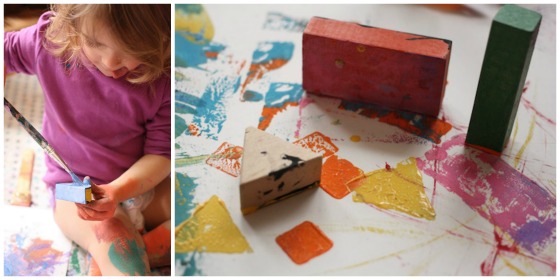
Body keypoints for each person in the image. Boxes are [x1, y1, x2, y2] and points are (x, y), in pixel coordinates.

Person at [4, 4, 171, 276]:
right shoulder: (50, 40)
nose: (111, 63)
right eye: (94, 43)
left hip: (140, 180)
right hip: (76, 190)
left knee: (202, 215)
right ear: (71, 23)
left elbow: (161, 154)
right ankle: (127, 247)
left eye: (133, 51)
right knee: (118, 243)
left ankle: (141, 249)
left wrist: (117, 191)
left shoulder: (163, 76)